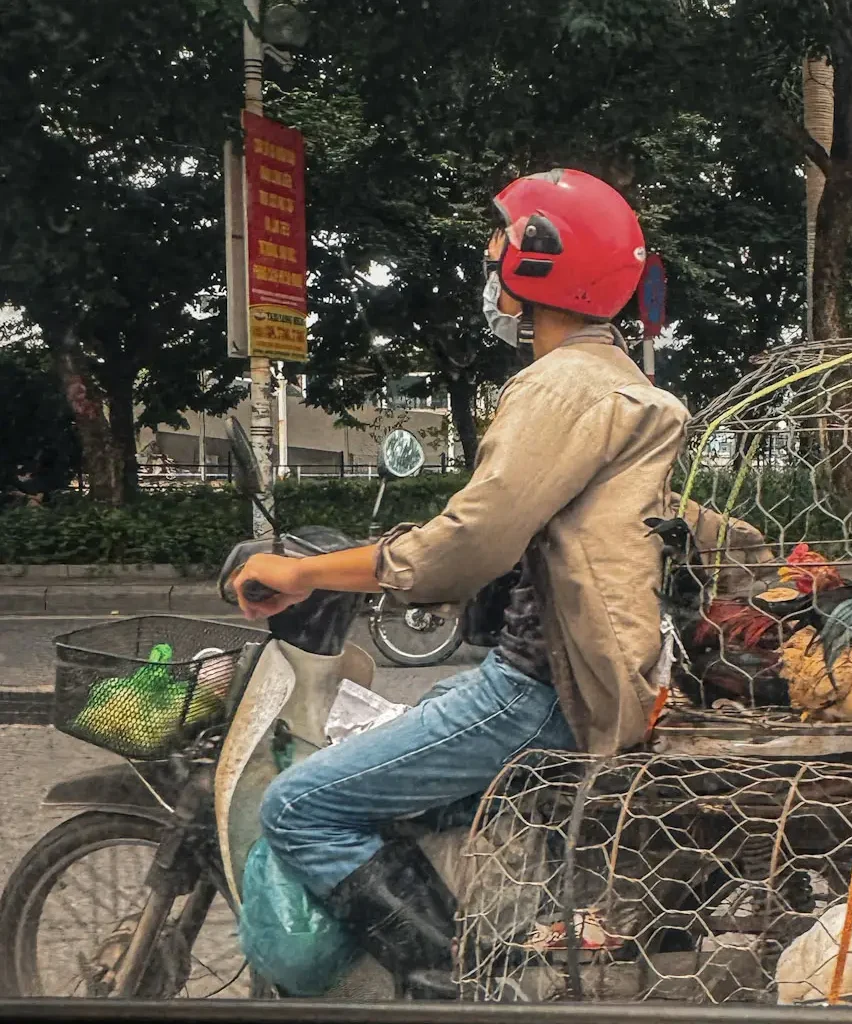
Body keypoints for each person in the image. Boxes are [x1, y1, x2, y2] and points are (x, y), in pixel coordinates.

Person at [230, 168, 689, 997]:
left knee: (299, 806)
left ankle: (446, 988)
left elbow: (467, 543)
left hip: (534, 694)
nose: (487, 263)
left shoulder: (558, 385)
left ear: (539, 265)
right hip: (585, 676)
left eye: (499, 246)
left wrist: (300, 571)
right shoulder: (629, 385)